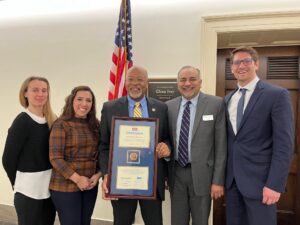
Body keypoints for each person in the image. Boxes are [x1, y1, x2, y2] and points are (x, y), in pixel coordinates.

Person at [225, 46, 294, 225]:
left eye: (246, 61)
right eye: (236, 63)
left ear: (256, 64)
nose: (241, 66)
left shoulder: (276, 95)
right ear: (231, 68)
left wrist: (275, 184)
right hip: (232, 183)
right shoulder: (227, 100)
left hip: (262, 184)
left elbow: (284, 144)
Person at [99, 65, 171, 225]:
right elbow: (103, 145)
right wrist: (106, 173)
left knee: (154, 222)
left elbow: (167, 138)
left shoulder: (161, 108)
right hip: (122, 180)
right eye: (130, 79)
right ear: (125, 82)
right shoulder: (110, 108)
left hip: (151, 180)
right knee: (122, 221)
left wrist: (167, 147)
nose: (135, 83)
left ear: (147, 83)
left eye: (140, 79)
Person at [166, 66, 227, 225]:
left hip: (203, 175)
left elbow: (221, 146)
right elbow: (166, 140)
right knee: (177, 220)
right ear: (177, 83)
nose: (187, 83)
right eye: (183, 80)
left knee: (201, 220)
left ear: (200, 82)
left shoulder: (216, 104)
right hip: (176, 173)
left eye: (192, 79)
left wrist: (218, 180)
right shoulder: (169, 106)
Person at [2, 76, 57, 225]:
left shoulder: (52, 120)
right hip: (27, 191)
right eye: (35, 90)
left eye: (44, 90)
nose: (40, 94)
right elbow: (8, 159)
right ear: (25, 93)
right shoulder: (22, 121)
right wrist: (18, 183)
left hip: (49, 190)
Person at [49, 86, 101, 225]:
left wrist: (98, 175)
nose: (84, 104)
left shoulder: (95, 125)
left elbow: (102, 152)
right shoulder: (61, 124)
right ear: (72, 101)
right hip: (66, 186)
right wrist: (78, 179)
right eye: (80, 99)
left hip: (90, 185)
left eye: (88, 100)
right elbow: (55, 158)